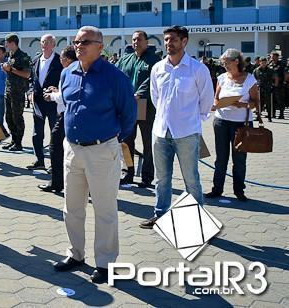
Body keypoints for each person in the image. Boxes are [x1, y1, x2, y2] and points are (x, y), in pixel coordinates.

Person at [53, 26, 136, 284]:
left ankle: (105, 263)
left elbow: (128, 115)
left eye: (85, 41)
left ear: (100, 46)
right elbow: (66, 106)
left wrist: (112, 140)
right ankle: (76, 254)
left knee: (104, 209)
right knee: (72, 207)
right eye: (76, 41)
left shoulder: (115, 77)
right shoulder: (68, 73)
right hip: (73, 149)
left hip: (102, 150)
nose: (79, 45)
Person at [140, 26, 214, 229]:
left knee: (191, 178)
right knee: (162, 178)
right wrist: (167, 117)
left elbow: (207, 100)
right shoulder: (158, 68)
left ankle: (196, 219)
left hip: (187, 132)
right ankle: (160, 214)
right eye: (166, 40)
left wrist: (191, 120)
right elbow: (156, 98)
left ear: (184, 41)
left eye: (172, 39)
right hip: (161, 131)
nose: (168, 43)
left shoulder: (197, 69)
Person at [206, 49, 258, 202]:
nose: (224, 65)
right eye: (223, 63)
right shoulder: (222, 78)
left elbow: (256, 103)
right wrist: (216, 105)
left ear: (236, 61)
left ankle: (239, 191)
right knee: (221, 158)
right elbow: (216, 99)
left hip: (241, 124)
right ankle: (217, 189)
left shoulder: (250, 79)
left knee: (239, 158)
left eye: (227, 62)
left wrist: (243, 105)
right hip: (221, 122)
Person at [116, 30, 158, 188]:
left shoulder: (154, 60)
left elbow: (152, 80)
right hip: (127, 106)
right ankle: (128, 172)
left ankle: (147, 177)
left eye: (139, 39)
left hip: (144, 105)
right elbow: (116, 77)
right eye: (134, 39)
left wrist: (140, 93)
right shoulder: (125, 59)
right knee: (126, 142)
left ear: (146, 42)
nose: (136, 42)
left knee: (148, 142)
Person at [39, 45, 77, 194]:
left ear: (66, 59)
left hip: (65, 115)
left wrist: (52, 96)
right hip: (69, 115)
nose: (59, 60)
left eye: (61, 58)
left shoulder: (69, 70)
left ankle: (56, 182)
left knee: (55, 148)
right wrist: (57, 91)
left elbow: (66, 97)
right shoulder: (77, 69)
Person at [29, 34, 62, 170]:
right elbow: (32, 80)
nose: (44, 44)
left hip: (53, 102)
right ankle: (39, 160)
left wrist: (57, 92)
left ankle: (54, 164)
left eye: (48, 42)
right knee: (37, 134)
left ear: (53, 45)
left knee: (55, 133)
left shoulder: (59, 60)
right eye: (43, 42)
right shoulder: (36, 59)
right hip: (38, 102)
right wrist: (30, 92)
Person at [2, 34, 31, 151]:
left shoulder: (23, 56)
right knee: (8, 117)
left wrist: (11, 70)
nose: (5, 45)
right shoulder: (10, 56)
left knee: (17, 117)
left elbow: (27, 74)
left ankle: (18, 143)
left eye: (7, 43)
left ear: (13, 43)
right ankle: (14, 140)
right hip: (9, 90)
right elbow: (10, 73)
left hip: (18, 92)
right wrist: (5, 69)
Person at [254, 57, 274, 122]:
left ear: (266, 62)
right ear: (260, 62)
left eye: (265, 62)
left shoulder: (270, 70)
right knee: (259, 104)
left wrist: (273, 85)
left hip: (267, 88)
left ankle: (269, 117)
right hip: (259, 88)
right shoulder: (256, 70)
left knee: (268, 103)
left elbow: (274, 77)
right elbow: (254, 79)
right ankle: (258, 116)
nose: (263, 64)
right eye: (262, 62)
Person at [267, 52, 285, 119]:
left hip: (279, 85)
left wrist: (284, 82)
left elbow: (285, 74)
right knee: (272, 100)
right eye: (271, 56)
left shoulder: (281, 64)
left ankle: (281, 114)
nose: (272, 58)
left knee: (280, 100)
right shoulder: (270, 64)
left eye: (273, 56)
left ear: (277, 57)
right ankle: (272, 114)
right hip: (271, 85)